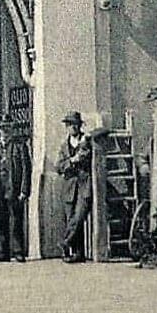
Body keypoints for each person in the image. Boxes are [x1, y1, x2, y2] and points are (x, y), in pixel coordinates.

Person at [0, 118, 32, 262]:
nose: (6, 131)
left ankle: (18, 251)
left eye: (8, 128)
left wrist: (24, 191)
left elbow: (26, 170)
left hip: (13, 189)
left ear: (12, 129)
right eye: (3, 128)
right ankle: (2, 252)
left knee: (16, 220)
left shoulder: (20, 147)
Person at [55, 112, 93, 262]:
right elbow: (58, 166)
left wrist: (78, 157)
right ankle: (77, 253)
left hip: (84, 186)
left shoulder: (87, 141)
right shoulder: (64, 145)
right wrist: (72, 160)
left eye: (75, 124)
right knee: (71, 218)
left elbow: (86, 155)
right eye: (69, 124)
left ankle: (65, 242)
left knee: (78, 217)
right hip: (69, 187)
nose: (72, 127)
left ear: (79, 125)